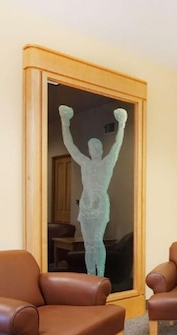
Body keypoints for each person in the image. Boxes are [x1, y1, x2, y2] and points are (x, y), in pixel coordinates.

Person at [58, 104, 127, 276]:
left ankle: (101, 274)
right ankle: (91, 275)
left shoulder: (107, 163)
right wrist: (65, 122)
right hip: (86, 206)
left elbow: (118, 145)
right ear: (89, 150)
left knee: (97, 241)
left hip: (100, 205)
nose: (93, 150)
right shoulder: (85, 163)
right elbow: (70, 145)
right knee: (89, 244)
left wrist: (122, 124)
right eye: (91, 147)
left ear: (101, 149)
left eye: (96, 147)